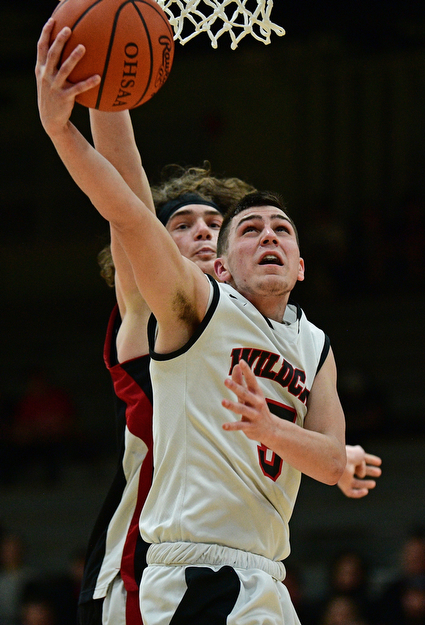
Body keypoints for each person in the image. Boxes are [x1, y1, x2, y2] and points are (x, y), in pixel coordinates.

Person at [35, 21, 381, 624]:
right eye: (185, 225)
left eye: (211, 222)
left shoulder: (306, 339)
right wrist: (90, 102)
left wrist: (297, 442)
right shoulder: (169, 301)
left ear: (302, 264)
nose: (200, 231)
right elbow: (128, 205)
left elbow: (327, 454)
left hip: (261, 570)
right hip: (148, 563)